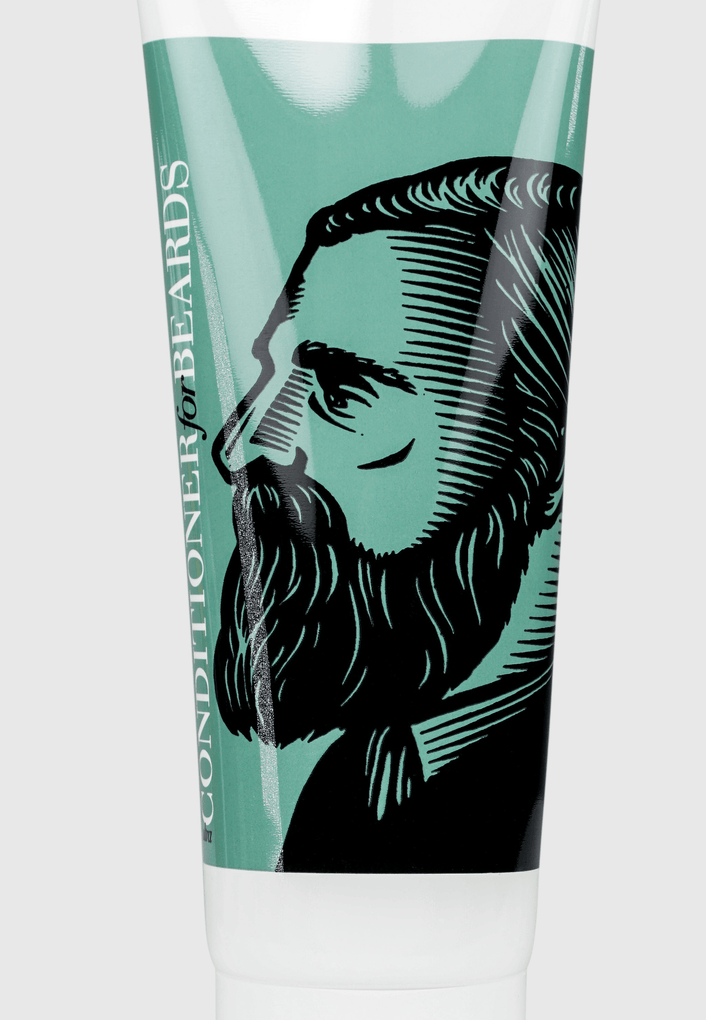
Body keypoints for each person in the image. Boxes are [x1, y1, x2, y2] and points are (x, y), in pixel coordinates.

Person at [211, 156, 582, 871]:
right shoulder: (360, 774)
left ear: (546, 459)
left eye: (340, 393)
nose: (238, 445)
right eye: (269, 377)